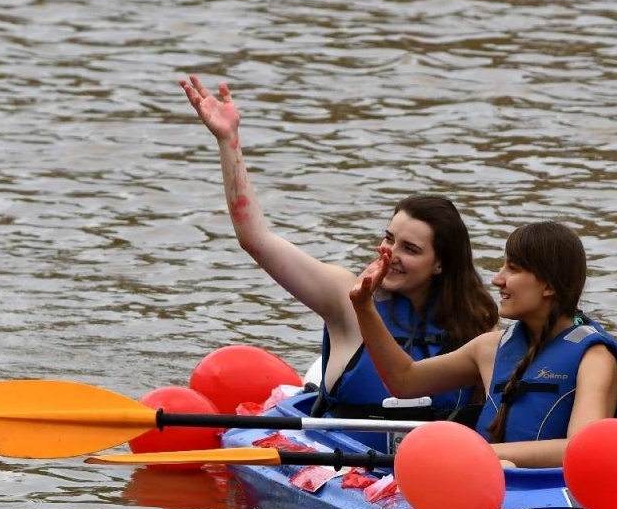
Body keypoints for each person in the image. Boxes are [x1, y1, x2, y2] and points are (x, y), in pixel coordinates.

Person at [181, 76, 497, 426]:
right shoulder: (344, 298)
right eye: (389, 239)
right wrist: (229, 141)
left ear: (440, 264)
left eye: (409, 248)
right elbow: (256, 239)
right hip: (342, 465)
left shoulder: (477, 321)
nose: (390, 254)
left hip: (436, 464)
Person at [350, 220, 617, 468]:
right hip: (485, 484)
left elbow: (580, 450)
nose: (497, 279)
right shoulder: (490, 348)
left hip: (548, 498)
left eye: (512, 269)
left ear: (549, 286)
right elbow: (404, 381)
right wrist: (364, 306)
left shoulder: (594, 357)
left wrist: (480, 453)